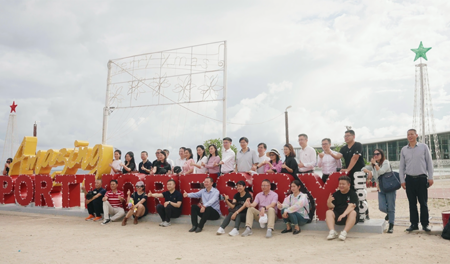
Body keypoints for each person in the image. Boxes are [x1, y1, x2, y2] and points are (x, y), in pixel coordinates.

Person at [399, 129, 434, 232]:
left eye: (412, 134)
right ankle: (414, 223)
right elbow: (401, 167)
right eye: (408, 134)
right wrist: (402, 180)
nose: (410, 136)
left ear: (416, 135)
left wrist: (430, 177)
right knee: (412, 203)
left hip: (422, 178)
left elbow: (429, 163)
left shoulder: (424, 147)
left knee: (423, 202)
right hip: (409, 179)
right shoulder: (404, 150)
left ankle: (425, 224)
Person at [363, 149, 395, 233]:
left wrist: (374, 164)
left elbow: (381, 171)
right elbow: (363, 168)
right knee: (382, 207)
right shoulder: (373, 165)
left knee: (391, 206)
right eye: (374, 154)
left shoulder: (386, 162)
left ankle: (391, 225)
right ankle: (390, 214)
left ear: (382, 154)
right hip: (380, 188)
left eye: (378, 154)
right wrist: (369, 171)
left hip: (390, 187)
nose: (376, 155)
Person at [325, 176, 359, 241]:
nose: (341, 186)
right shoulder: (335, 194)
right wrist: (329, 202)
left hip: (350, 217)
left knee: (353, 212)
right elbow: (331, 207)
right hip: (338, 217)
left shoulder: (353, 194)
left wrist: (344, 214)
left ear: (348, 185)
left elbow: (352, 206)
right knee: (328, 212)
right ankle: (332, 232)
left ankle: (344, 232)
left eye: (343, 184)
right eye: (340, 184)